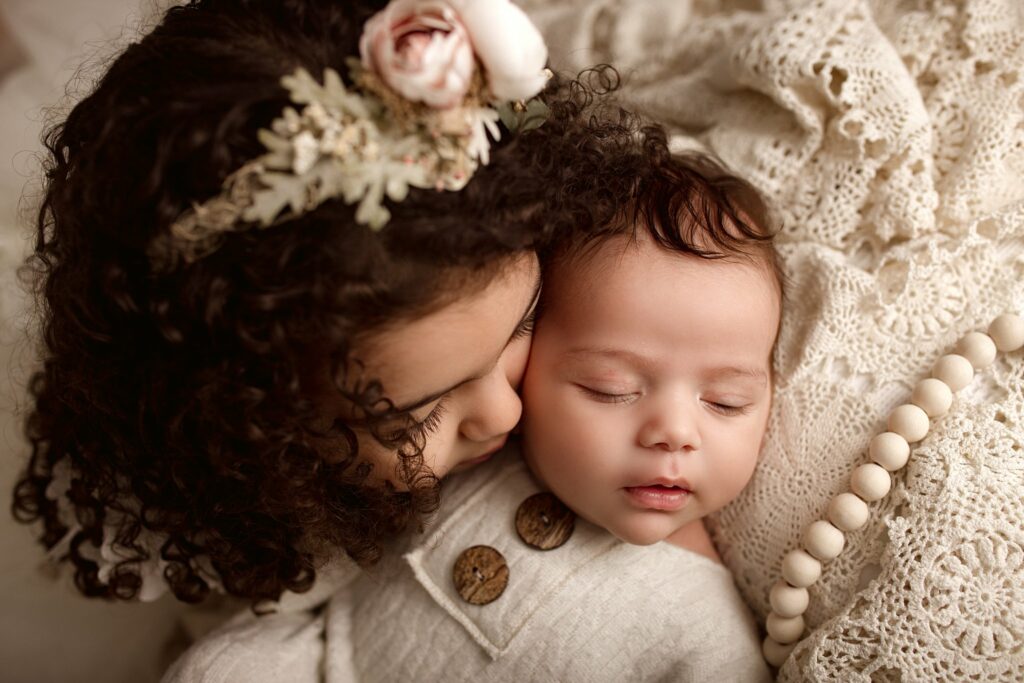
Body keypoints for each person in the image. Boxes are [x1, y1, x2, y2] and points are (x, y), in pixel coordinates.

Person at [9, 0, 616, 613]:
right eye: (412, 419)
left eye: (527, 320)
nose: (505, 412)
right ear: (251, 425)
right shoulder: (224, 525)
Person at [327, 151, 783, 681]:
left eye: (727, 401)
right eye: (610, 389)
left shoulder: (705, 632)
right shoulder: (458, 466)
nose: (676, 434)